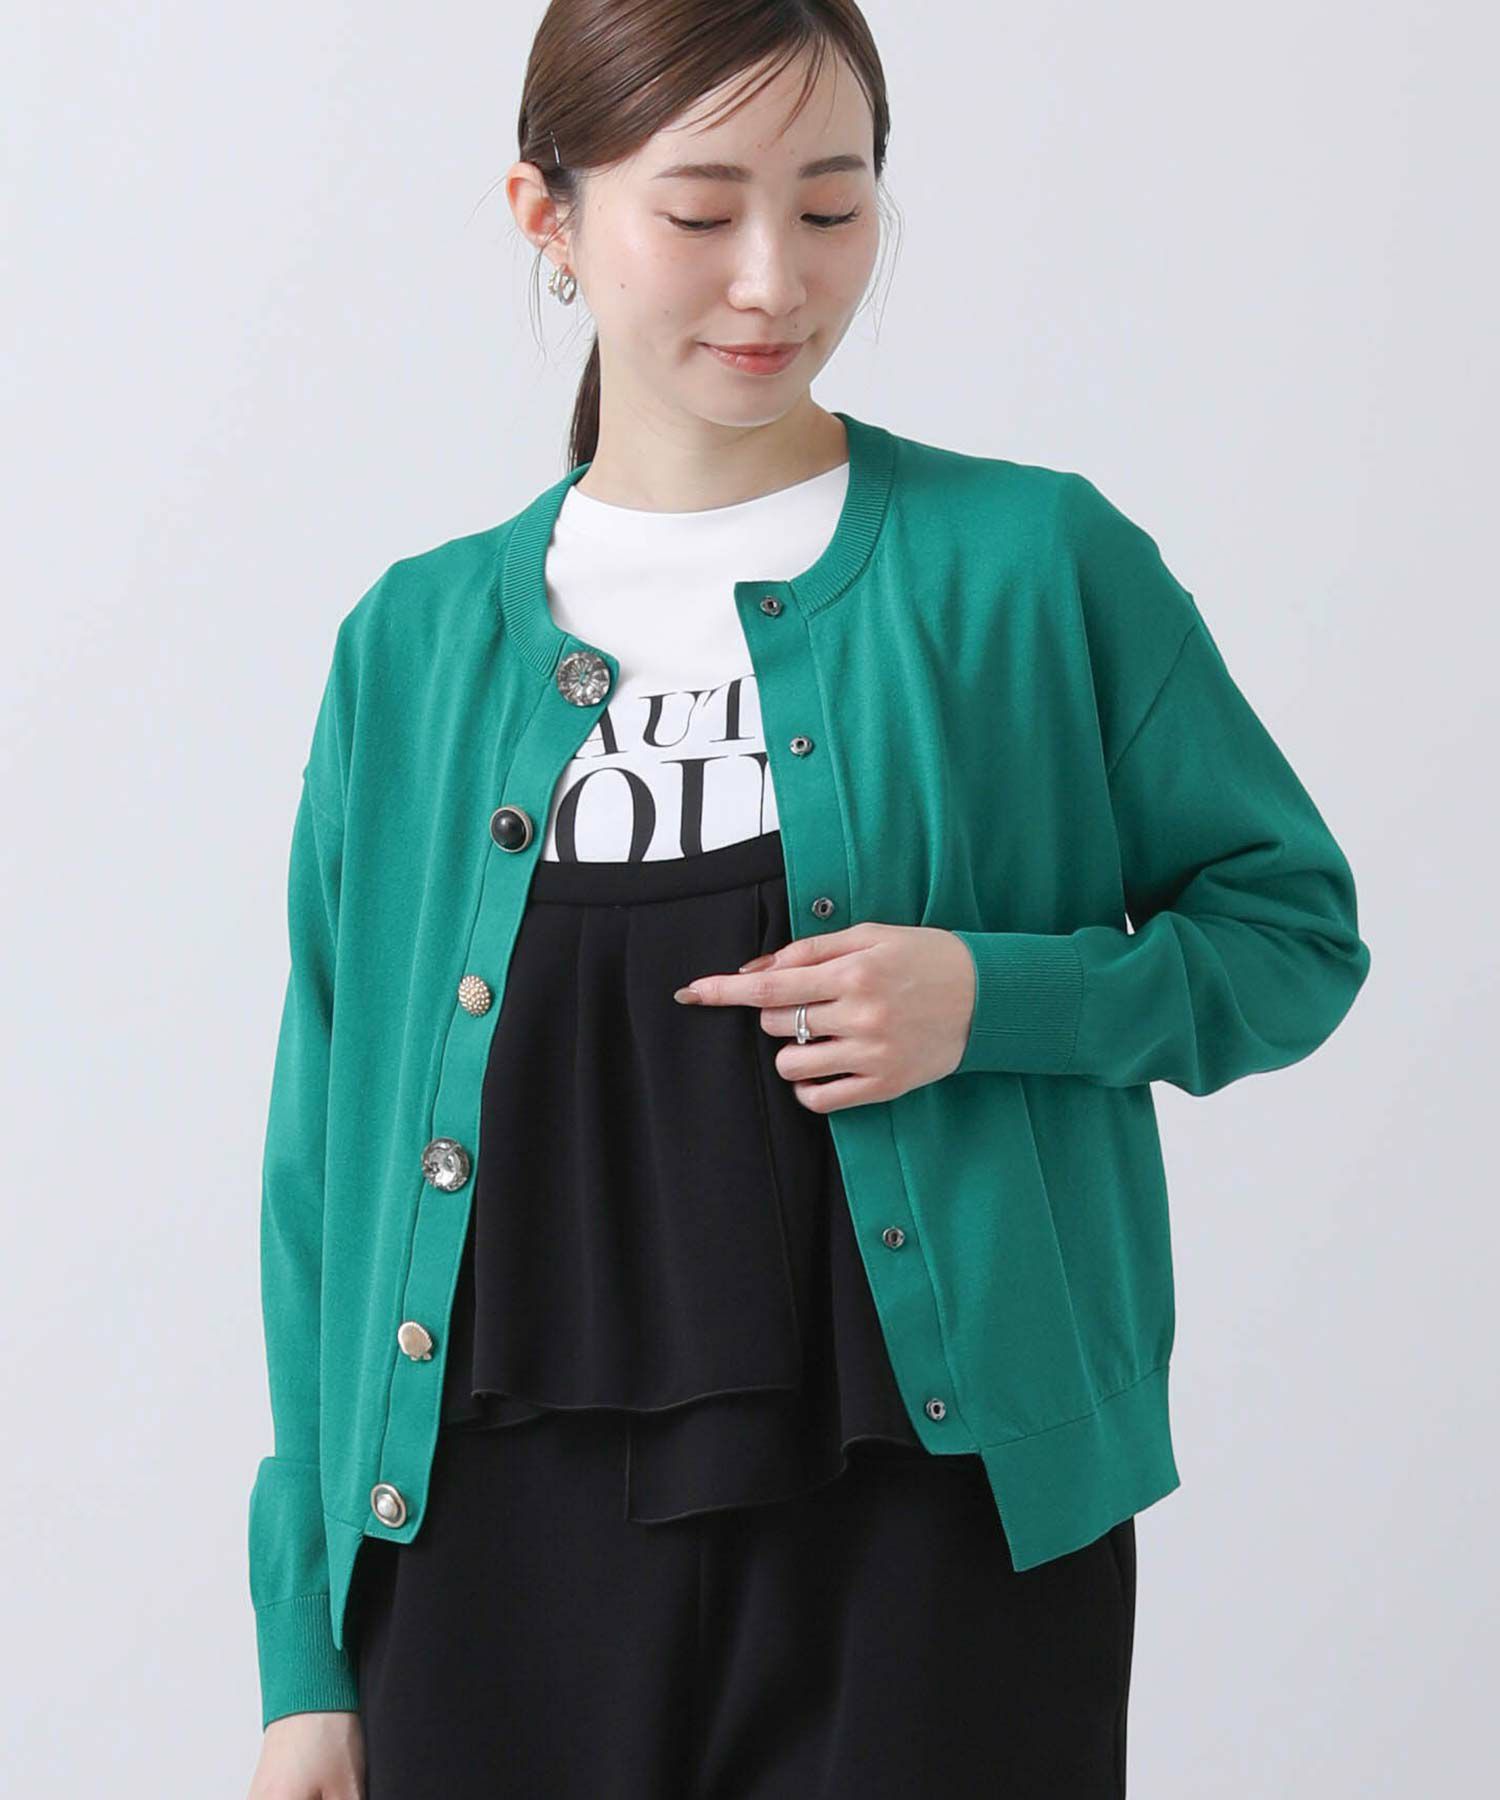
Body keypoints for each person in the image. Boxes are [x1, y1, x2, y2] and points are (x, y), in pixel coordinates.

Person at [244, 4, 1372, 1796]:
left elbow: (1292, 934)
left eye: (833, 208)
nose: (774, 278)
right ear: (547, 214)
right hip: (486, 1553)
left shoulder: (1034, 566)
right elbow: (326, 1168)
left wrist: (998, 1001)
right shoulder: (412, 646)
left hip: (937, 1528)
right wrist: (305, 1649)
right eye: (701, 213)